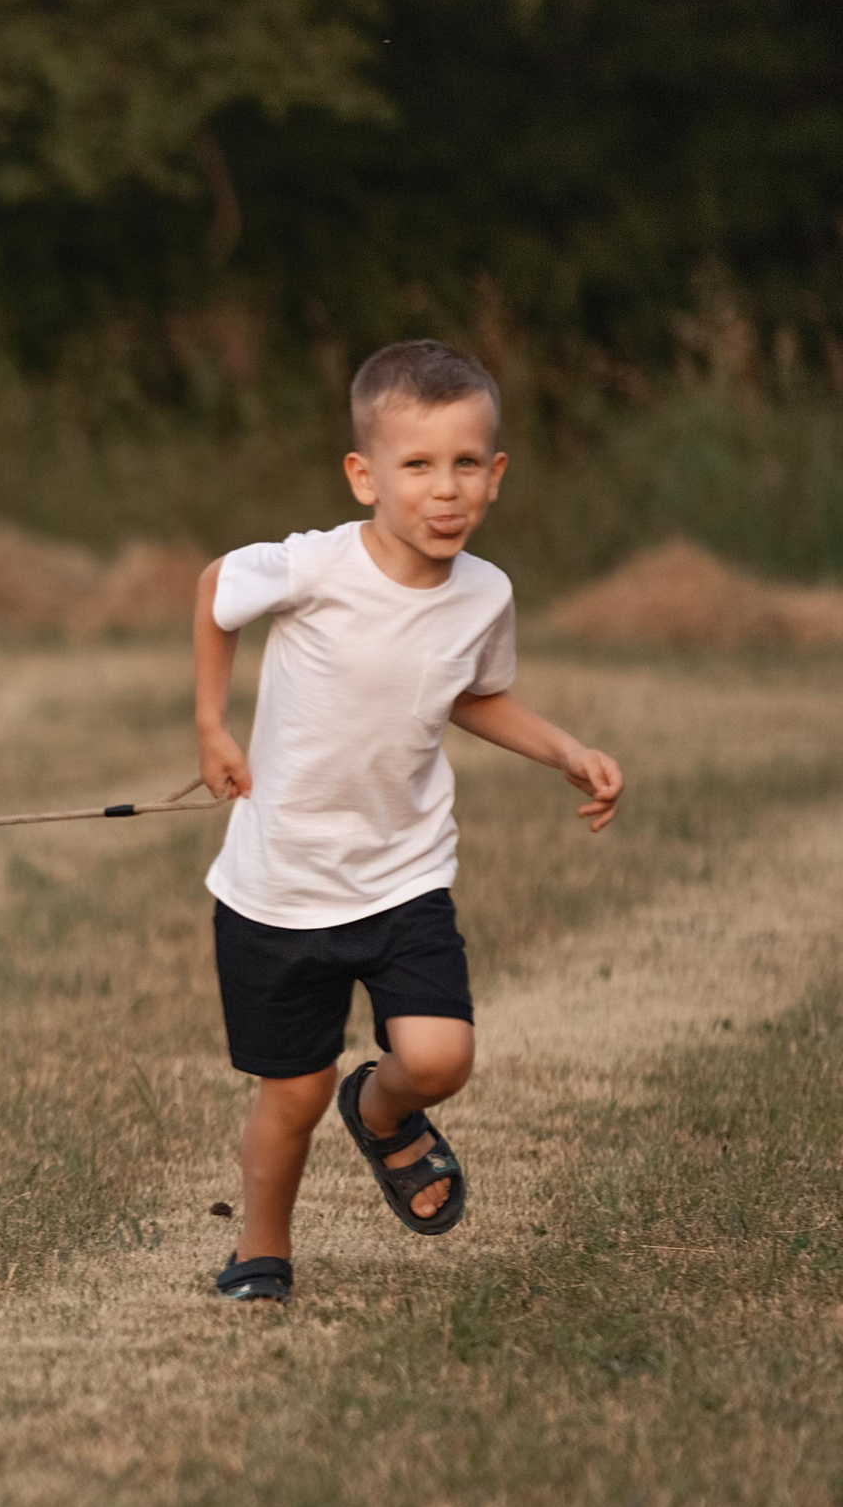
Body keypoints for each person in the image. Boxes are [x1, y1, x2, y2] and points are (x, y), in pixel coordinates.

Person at [192, 339, 624, 1302]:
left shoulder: (486, 594)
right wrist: (212, 724)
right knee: (292, 1094)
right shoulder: (315, 568)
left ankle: (384, 1115)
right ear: (364, 476)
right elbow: (216, 590)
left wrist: (562, 749)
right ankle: (261, 1248)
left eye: (467, 464)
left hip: (403, 876)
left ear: (497, 475)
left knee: (438, 1057)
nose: (445, 490)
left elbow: (468, 694)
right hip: (280, 889)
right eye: (418, 465)